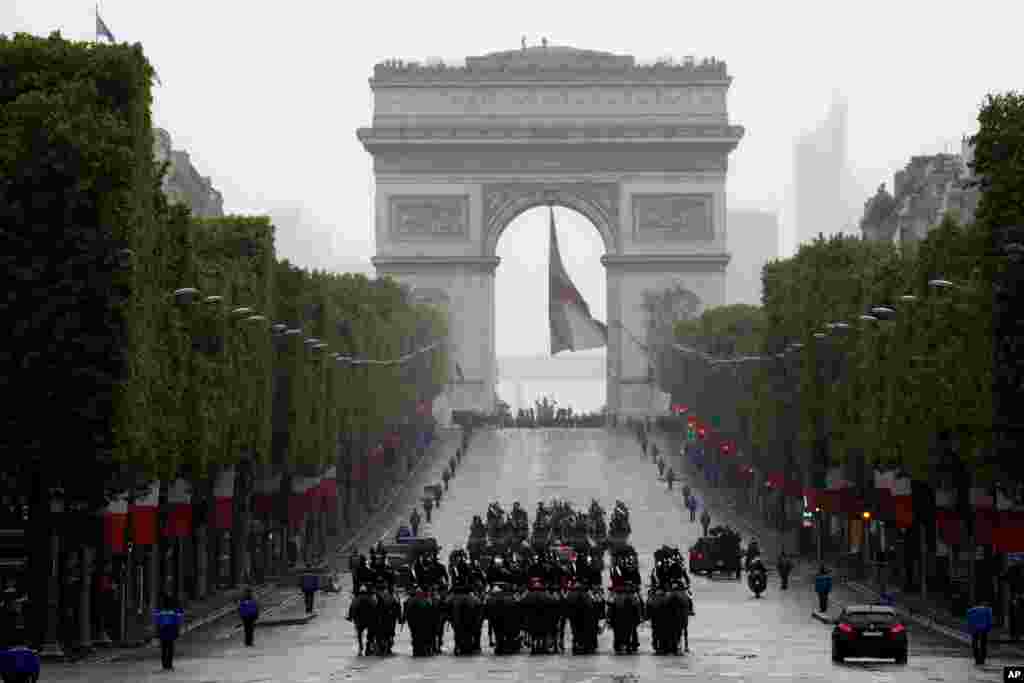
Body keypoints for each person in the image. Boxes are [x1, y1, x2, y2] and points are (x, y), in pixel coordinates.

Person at [154, 591, 184, 671]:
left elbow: (157, 620)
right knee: (170, 647)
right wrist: (178, 629)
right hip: (171, 629)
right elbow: (179, 619)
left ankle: (164, 665)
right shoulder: (174, 610)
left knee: (164, 648)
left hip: (162, 629)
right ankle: (169, 665)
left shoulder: (160, 610)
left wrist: (157, 631)